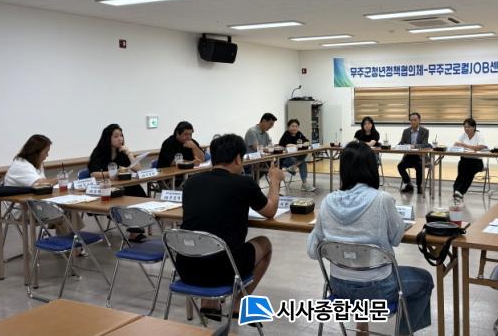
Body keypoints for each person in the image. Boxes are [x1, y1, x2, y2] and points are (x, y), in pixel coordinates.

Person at [307, 142, 433, 335]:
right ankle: (404, 333)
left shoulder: (327, 202)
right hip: (378, 291)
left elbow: (312, 251)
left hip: (339, 288)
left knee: (357, 265)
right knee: (425, 279)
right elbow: (396, 238)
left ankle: (362, 329)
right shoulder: (382, 199)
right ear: (372, 168)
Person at [177, 134, 284, 319]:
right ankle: (238, 304)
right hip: (223, 270)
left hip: (186, 267)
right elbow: (270, 211)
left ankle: (209, 304)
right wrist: (275, 181)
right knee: (265, 244)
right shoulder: (243, 183)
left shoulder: (191, 182)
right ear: (237, 158)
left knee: (207, 236)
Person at [5, 135, 84, 238]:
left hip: (35, 202)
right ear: (36, 151)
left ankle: (73, 241)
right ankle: (70, 243)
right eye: (46, 152)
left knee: (69, 208)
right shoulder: (21, 165)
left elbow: (44, 186)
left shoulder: (36, 163)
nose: (47, 155)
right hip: (21, 209)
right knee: (62, 211)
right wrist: (59, 178)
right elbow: (41, 183)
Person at [88, 124, 146, 198]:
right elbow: (93, 174)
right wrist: (113, 173)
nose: (120, 139)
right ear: (108, 138)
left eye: (121, 136)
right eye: (116, 136)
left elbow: (138, 169)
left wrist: (128, 153)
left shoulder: (122, 152)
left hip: (124, 185)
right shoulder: (98, 152)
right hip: (107, 188)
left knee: (136, 189)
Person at [278, 119, 316, 192]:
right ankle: (304, 184)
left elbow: (307, 142)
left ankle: (294, 168)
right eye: (292, 126)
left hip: (294, 158)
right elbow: (287, 145)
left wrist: (303, 144)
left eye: (296, 126)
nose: (294, 128)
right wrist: (298, 145)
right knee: (302, 162)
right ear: (288, 127)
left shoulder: (299, 133)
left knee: (303, 156)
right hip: (284, 159)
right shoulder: (286, 134)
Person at [453, 118, 486, 200]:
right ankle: (456, 191)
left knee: (468, 174)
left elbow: (480, 147)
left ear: (474, 127)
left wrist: (465, 145)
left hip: (476, 161)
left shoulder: (479, 135)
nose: (466, 129)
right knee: (461, 174)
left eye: (468, 127)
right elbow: (456, 145)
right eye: (465, 127)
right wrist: (457, 145)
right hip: (464, 160)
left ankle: (459, 192)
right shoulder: (463, 135)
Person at [397, 112, 430, 193]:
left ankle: (419, 186)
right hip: (409, 155)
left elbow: (425, 144)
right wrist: (400, 145)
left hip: (420, 156)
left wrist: (414, 146)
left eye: (415, 120)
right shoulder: (406, 131)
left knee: (419, 166)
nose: (413, 122)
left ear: (419, 120)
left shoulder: (425, 131)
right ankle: (409, 184)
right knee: (400, 166)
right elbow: (401, 142)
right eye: (411, 120)